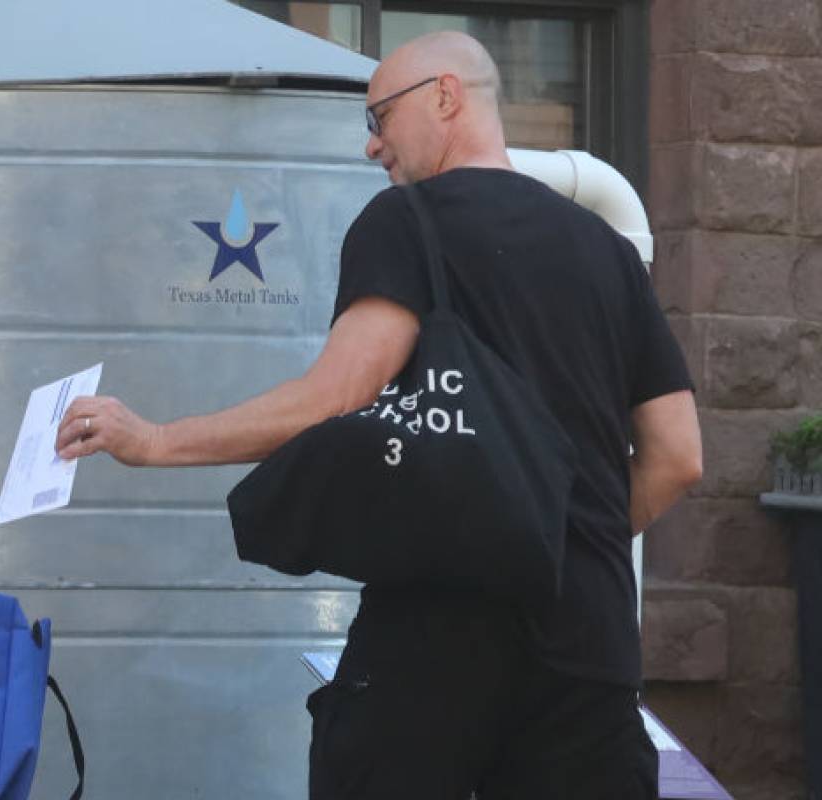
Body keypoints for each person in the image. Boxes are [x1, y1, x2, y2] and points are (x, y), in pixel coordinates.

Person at [55, 31, 703, 800]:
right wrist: (557, 537)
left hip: (438, 645)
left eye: (379, 117)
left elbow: (337, 394)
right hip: (588, 648)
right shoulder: (607, 250)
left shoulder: (408, 222)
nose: (371, 147)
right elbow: (678, 455)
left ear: (445, 96)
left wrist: (156, 439)